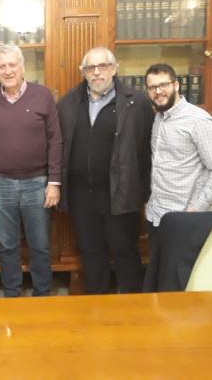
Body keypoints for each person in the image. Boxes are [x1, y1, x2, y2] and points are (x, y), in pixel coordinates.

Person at [57, 47, 153, 294]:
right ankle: (96, 304)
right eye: (90, 68)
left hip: (120, 191)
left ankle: (132, 305)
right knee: (90, 251)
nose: (97, 72)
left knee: (124, 250)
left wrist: (142, 190)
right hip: (82, 194)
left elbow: (147, 150)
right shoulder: (69, 102)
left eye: (103, 66)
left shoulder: (136, 102)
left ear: (114, 69)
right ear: (84, 72)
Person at [0, 43, 62, 297]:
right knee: (6, 245)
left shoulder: (42, 95)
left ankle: (42, 293)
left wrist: (54, 182)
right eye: (2, 66)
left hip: (37, 183)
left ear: (22, 66)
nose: (7, 70)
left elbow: (55, 139)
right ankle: (12, 294)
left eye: (12, 64)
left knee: (39, 245)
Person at [144, 63, 212, 236]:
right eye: (152, 87)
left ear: (176, 85)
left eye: (164, 85)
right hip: (156, 215)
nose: (158, 91)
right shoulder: (159, 118)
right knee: (159, 264)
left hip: (185, 219)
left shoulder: (198, 121)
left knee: (181, 265)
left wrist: (195, 211)